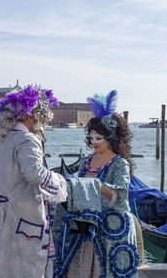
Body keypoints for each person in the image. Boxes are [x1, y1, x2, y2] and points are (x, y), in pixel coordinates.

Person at [0, 85, 68, 278]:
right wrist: (60, 181)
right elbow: (35, 173)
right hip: (23, 219)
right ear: (29, 115)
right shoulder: (26, 140)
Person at [53, 90, 139, 278]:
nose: (94, 142)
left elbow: (122, 194)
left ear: (112, 138)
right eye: (91, 138)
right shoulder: (86, 161)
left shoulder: (119, 164)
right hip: (85, 229)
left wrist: (93, 185)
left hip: (112, 231)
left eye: (99, 138)